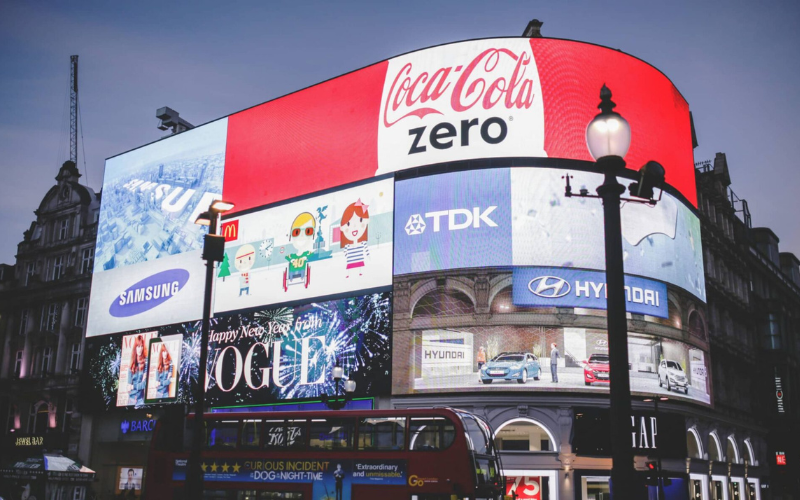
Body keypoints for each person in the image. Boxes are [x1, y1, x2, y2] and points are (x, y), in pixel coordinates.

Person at [340, 199, 370, 278]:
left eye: (360, 220)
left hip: (359, 260)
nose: (354, 226)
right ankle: (348, 274)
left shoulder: (363, 243)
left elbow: (366, 251)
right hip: (350, 261)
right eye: (348, 224)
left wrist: (368, 256)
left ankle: (360, 272)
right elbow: (345, 253)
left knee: (360, 266)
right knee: (349, 267)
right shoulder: (347, 246)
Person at [286, 212, 316, 284]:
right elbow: (287, 257)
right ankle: (291, 278)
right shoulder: (292, 255)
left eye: (308, 231)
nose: (302, 236)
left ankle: (302, 276)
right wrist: (292, 260)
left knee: (302, 271)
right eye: (297, 232)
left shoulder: (306, 253)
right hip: (292, 270)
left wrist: (306, 258)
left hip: (302, 269)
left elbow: (312, 254)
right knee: (290, 270)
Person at [128, 336, 147, 405]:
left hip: (141, 400)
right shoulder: (131, 365)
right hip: (131, 399)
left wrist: (133, 386)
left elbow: (144, 384)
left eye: (141, 346)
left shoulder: (145, 363)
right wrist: (134, 386)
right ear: (135, 348)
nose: (140, 349)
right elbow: (128, 387)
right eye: (138, 346)